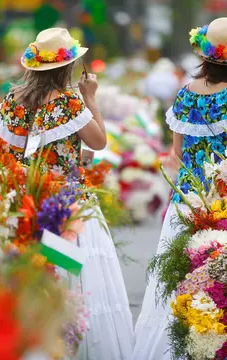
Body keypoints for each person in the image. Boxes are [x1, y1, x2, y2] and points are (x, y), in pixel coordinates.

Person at [0, 28, 133, 360]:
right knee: (74, 278)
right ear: (68, 66)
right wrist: (91, 99)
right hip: (67, 208)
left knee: (39, 274)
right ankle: (72, 344)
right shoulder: (68, 102)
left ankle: (39, 342)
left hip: (27, 204)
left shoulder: (13, 100)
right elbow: (98, 142)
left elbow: (8, 151)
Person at [133, 17, 227, 359]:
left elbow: (176, 154)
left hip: (187, 197)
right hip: (223, 199)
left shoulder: (186, 93)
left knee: (179, 281)